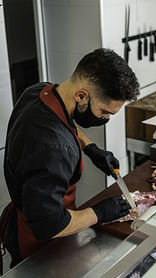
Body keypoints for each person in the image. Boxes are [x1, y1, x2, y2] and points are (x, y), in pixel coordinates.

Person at [0, 48, 140, 272]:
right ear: (82, 95)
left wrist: (90, 148)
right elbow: (50, 225)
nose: (105, 119)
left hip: (26, 216)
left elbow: (64, 120)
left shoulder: (38, 91)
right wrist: (99, 213)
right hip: (41, 244)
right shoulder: (55, 149)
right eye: (105, 112)